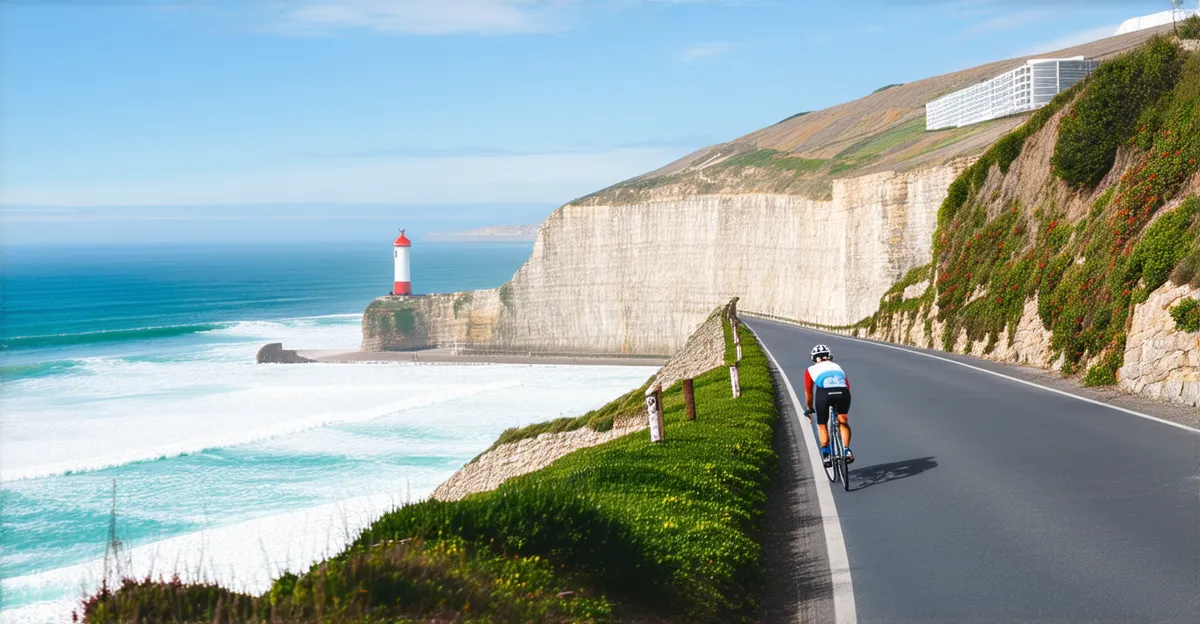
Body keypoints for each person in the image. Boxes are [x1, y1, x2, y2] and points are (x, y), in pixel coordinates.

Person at [803, 344, 853, 467]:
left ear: (814, 359)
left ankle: (826, 455)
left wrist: (810, 408)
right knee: (843, 420)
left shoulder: (810, 370)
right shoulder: (837, 366)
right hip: (843, 393)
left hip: (824, 395)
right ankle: (846, 451)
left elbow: (809, 392)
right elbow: (847, 386)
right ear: (829, 356)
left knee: (821, 424)